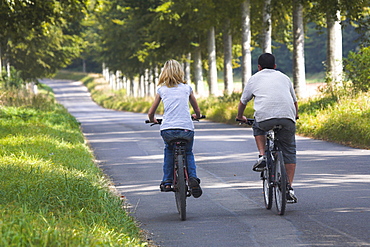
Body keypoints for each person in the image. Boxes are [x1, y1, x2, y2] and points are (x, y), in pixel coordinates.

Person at [236, 53, 299, 203]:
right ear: (275, 66)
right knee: (289, 150)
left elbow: (243, 101)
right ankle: (289, 187)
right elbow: (294, 102)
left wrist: (240, 116)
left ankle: (262, 155)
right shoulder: (284, 77)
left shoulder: (254, 79)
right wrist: (295, 116)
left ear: (259, 67)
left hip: (265, 118)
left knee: (257, 126)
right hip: (287, 117)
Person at [148, 59, 203, 198]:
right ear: (180, 72)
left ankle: (167, 181)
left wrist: (152, 119)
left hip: (168, 129)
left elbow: (151, 112)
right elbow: (196, 109)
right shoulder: (187, 88)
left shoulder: (162, 89)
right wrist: (197, 115)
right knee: (188, 153)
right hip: (186, 128)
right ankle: (193, 178)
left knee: (169, 150)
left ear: (164, 73)